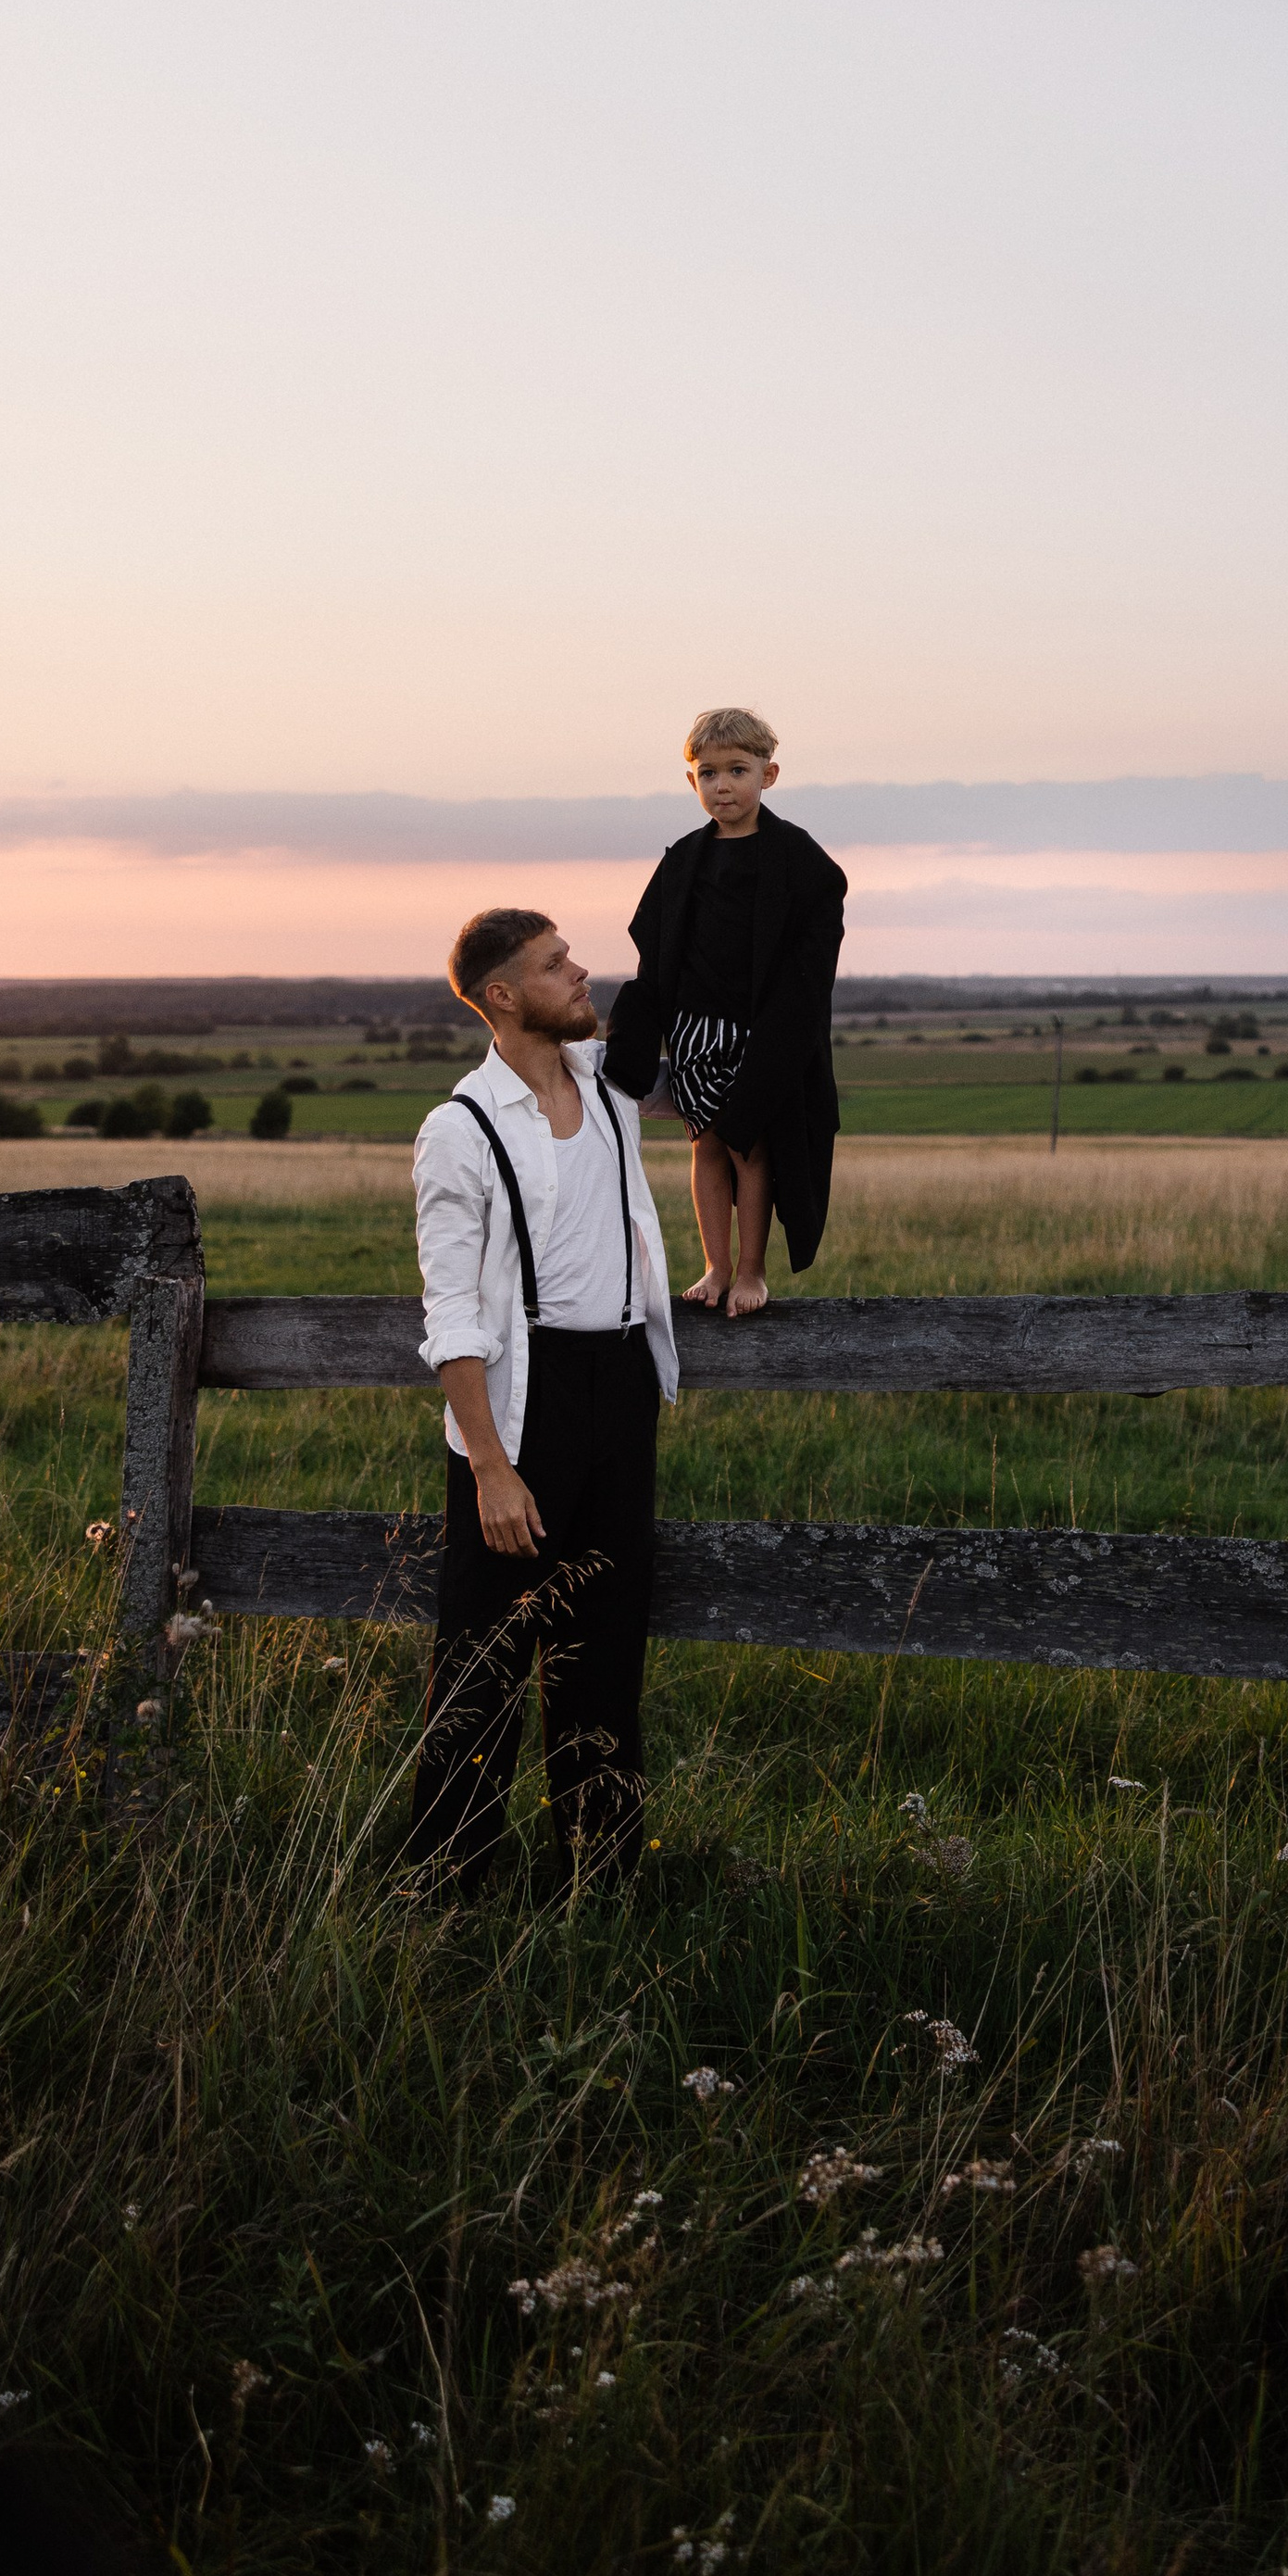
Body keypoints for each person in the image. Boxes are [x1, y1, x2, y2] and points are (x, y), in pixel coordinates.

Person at [406, 907, 679, 1891]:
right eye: (556, 964)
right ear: (504, 997)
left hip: (621, 1386)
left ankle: (600, 1881)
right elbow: (452, 1315)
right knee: (483, 1659)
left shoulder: (608, 1089)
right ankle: (448, 1885)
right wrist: (489, 1467)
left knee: (604, 1655)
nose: (580, 972)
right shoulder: (462, 1128)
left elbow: (684, 1007)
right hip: (522, 1408)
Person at [606, 708, 846, 1313]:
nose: (722, 786)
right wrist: (632, 1040)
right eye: (707, 773)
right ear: (692, 783)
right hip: (693, 1031)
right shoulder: (684, 861)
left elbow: (808, 975)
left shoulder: (800, 863)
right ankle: (714, 1267)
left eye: (737, 770)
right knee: (705, 1145)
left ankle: (752, 1272)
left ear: (769, 774)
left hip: (761, 1036)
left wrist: (779, 1044)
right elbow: (654, 959)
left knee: (752, 1146)